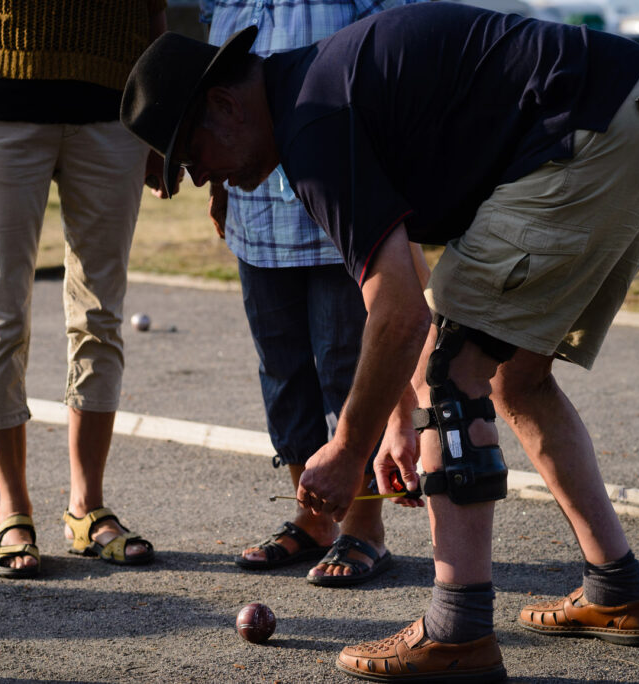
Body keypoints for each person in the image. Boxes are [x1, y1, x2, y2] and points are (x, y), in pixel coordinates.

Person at [121, 4, 639, 681]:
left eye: (193, 156)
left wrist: (348, 447)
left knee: (453, 372)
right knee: (514, 378)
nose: (203, 179)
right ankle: (616, 588)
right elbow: (410, 281)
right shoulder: (318, 91)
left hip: (590, 127)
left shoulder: (312, 125)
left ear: (226, 104)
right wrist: (398, 423)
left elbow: (398, 316)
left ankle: (458, 631)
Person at [0, 0, 173, 579]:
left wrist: (160, 120)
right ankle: (13, 510)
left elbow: (154, 11)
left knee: (100, 313)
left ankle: (86, 506)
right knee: (1, 315)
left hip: (112, 116)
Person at [200, 0, 419, 585]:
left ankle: (362, 527)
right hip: (256, 212)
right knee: (281, 367)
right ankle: (312, 518)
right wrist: (220, 181)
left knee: (346, 364)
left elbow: (392, 58)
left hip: (338, 207)